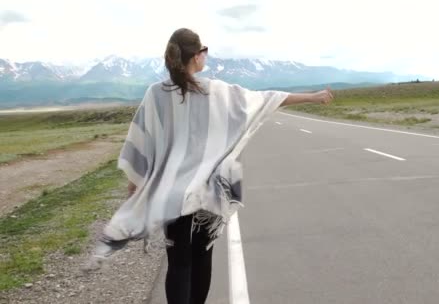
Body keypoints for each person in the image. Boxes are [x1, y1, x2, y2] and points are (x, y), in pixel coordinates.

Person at [92, 28, 333, 304]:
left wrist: (134, 186)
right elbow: (264, 99)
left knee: (179, 263)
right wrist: (312, 97)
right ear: (196, 57)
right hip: (207, 197)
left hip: (172, 197)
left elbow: (141, 143)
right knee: (202, 258)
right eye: (203, 52)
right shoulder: (217, 92)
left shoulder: (155, 94)